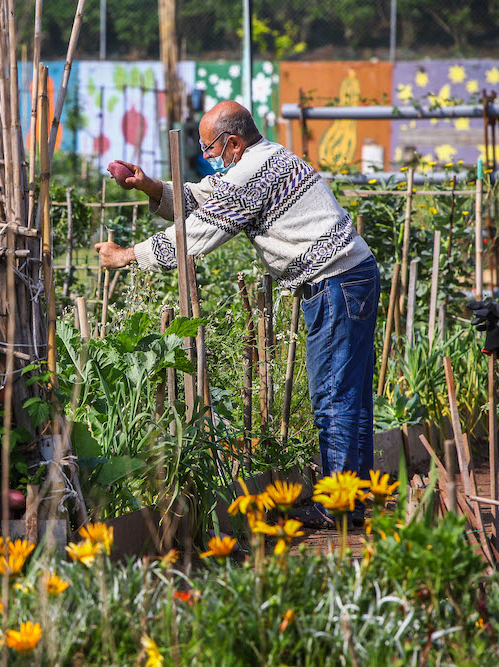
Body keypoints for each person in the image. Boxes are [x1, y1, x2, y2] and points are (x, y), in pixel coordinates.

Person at [96, 101, 380, 528]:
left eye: (209, 149)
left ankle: (338, 509)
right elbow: (205, 197)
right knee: (348, 394)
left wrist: (127, 255)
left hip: (336, 284)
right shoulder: (265, 159)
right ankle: (351, 502)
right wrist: (151, 186)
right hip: (349, 278)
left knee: (334, 397)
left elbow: (199, 231)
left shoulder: (253, 172)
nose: (208, 157)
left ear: (232, 142)